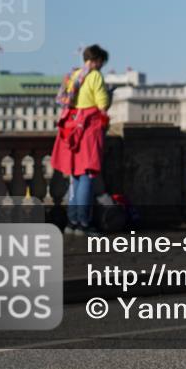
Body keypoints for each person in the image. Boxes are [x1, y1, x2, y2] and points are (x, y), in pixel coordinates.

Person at [51, 44, 111, 236]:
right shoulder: (95, 76)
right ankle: (83, 223)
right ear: (98, 60)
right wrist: (109, 95)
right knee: (86, 176)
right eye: (102, 62)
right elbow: (102, 104)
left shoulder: (73, 75)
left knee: (75, 177)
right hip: (88, 129)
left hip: (71, 129)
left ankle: (72, 221)